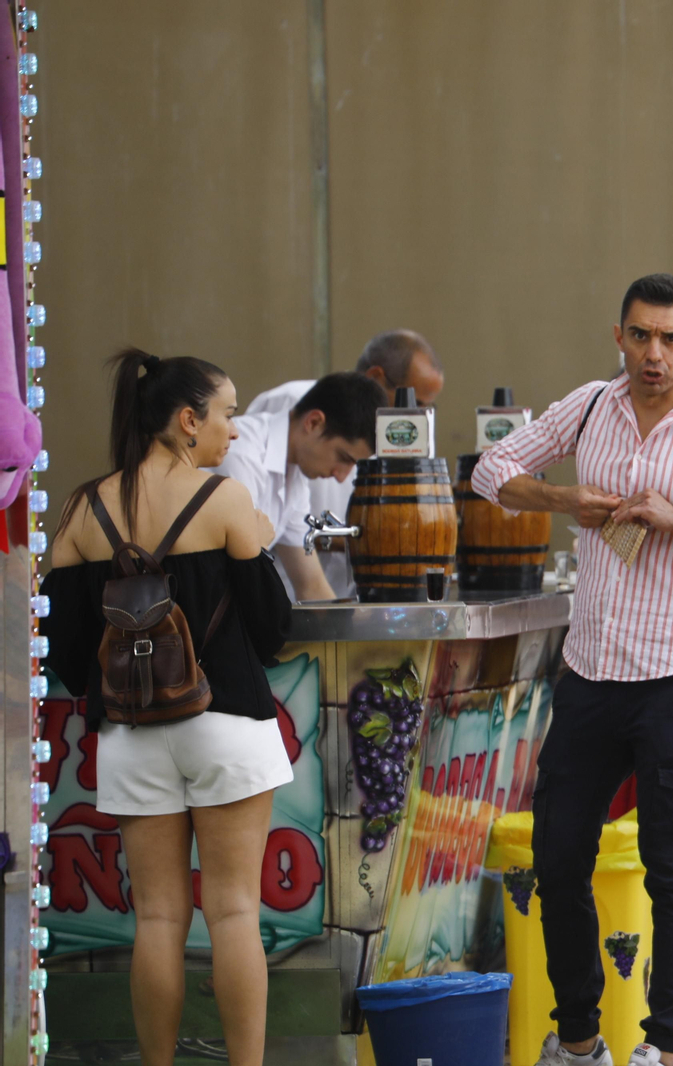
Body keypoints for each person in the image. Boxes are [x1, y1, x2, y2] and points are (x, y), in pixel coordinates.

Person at [471, 274, 673, 1066]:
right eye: (641, 336)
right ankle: (579, 1037)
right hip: (593, 672)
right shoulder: (592, 405)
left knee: (672, 866)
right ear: (619, 336)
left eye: (671, 339)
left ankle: (664, 1043)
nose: (655, 354)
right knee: (559, 859)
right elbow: (491, 470)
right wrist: (564, 499)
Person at [40, 350, 294, 1066]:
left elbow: (63, 650)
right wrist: (262, 545)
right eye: (227, 413)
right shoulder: (224, 502)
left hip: (130, 732)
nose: (234, 431)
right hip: (225, 724)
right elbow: (273, 627)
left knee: (156, 918)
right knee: (236, 911)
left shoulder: (82, 512)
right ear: (188, 421)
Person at [246, 330, 444, 596]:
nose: (418, 415)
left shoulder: (411, 431)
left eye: (426, 409)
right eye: (414, 402)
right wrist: (355, 540)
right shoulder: (289, 403)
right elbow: (257, 524)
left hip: (347, 596)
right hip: (279, 593)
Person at [209, 371, 385, 602]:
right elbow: (240, 580)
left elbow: (311, 586)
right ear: (313, 423)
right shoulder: (241, 455)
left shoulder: (293, 478)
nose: (341, 477)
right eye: (343, 458)